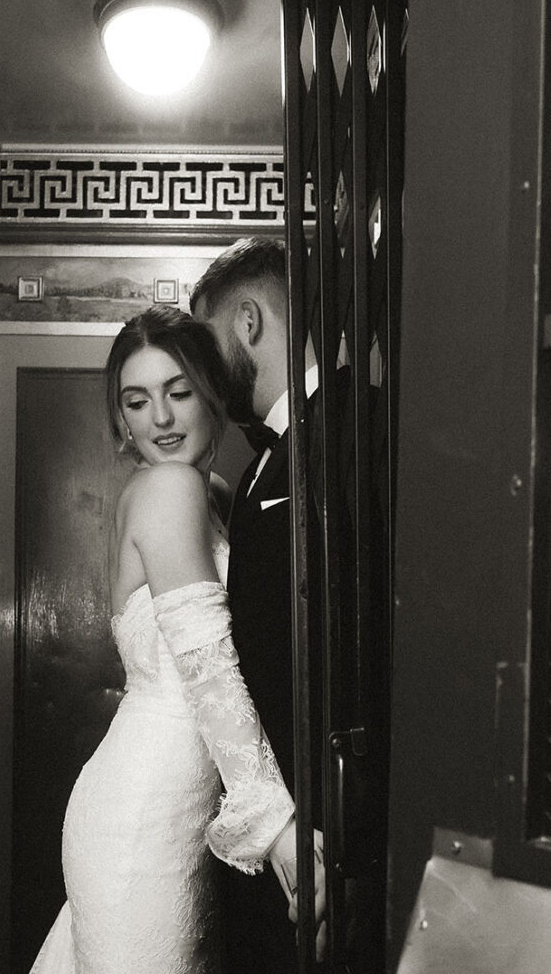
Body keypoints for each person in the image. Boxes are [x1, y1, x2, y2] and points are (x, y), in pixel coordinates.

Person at [28, 304, 313, 974]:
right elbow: (208, 667)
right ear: (121, 418)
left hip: (172, 811)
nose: (160, 418)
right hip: (145, 817)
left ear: (211, 392)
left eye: (178, 392)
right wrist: (277, 828)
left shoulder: (209, 491)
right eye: (137, 401)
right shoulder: (169, 487)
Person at [191, 237, 327, 974]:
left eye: (207, 344)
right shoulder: (254, 468)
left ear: (247, 322)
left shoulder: (349, 427)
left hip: (321, 824)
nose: (204, 376)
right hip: (266, 823)